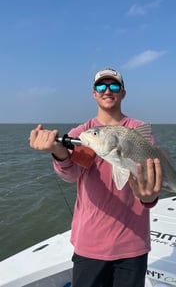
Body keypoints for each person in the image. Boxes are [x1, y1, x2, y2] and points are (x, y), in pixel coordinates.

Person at [29, 67, 162, 287]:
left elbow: (148, 183)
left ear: (123, 92)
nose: (107, 90)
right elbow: (72, 174)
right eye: (101, 86)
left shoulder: (138, 130)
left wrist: (149, 197)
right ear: (94, 93)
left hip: (132, 243)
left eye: (114, 85)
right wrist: (59, 152)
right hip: (90, 244)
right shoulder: (85, 133)